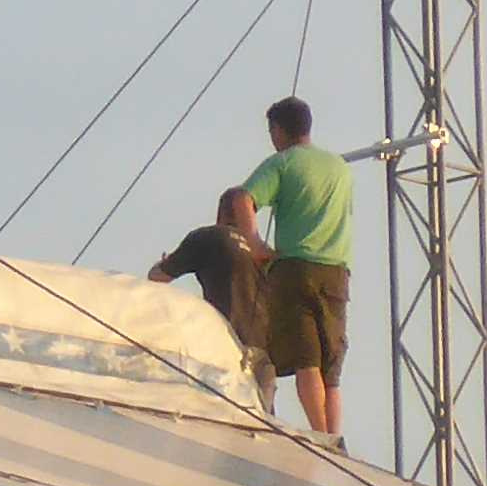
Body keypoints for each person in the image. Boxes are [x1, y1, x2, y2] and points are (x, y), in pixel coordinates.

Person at [241, 94, 355, 441]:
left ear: (278, 130)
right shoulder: (339, 167)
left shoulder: (282, 163)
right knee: (331, 367)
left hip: (294, 268)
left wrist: (255, 244)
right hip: (336, 270)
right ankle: (335, 436)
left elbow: (243, 198)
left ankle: (319, 434)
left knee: (307, 357)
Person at [147, 182, 283, 418]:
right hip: (265, 350)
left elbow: (157, 277)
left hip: (224, 344)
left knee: (221, 418)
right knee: (263, 423)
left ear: (220, 213)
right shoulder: (263, 254)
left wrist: (164, 262)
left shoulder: (208, 237)